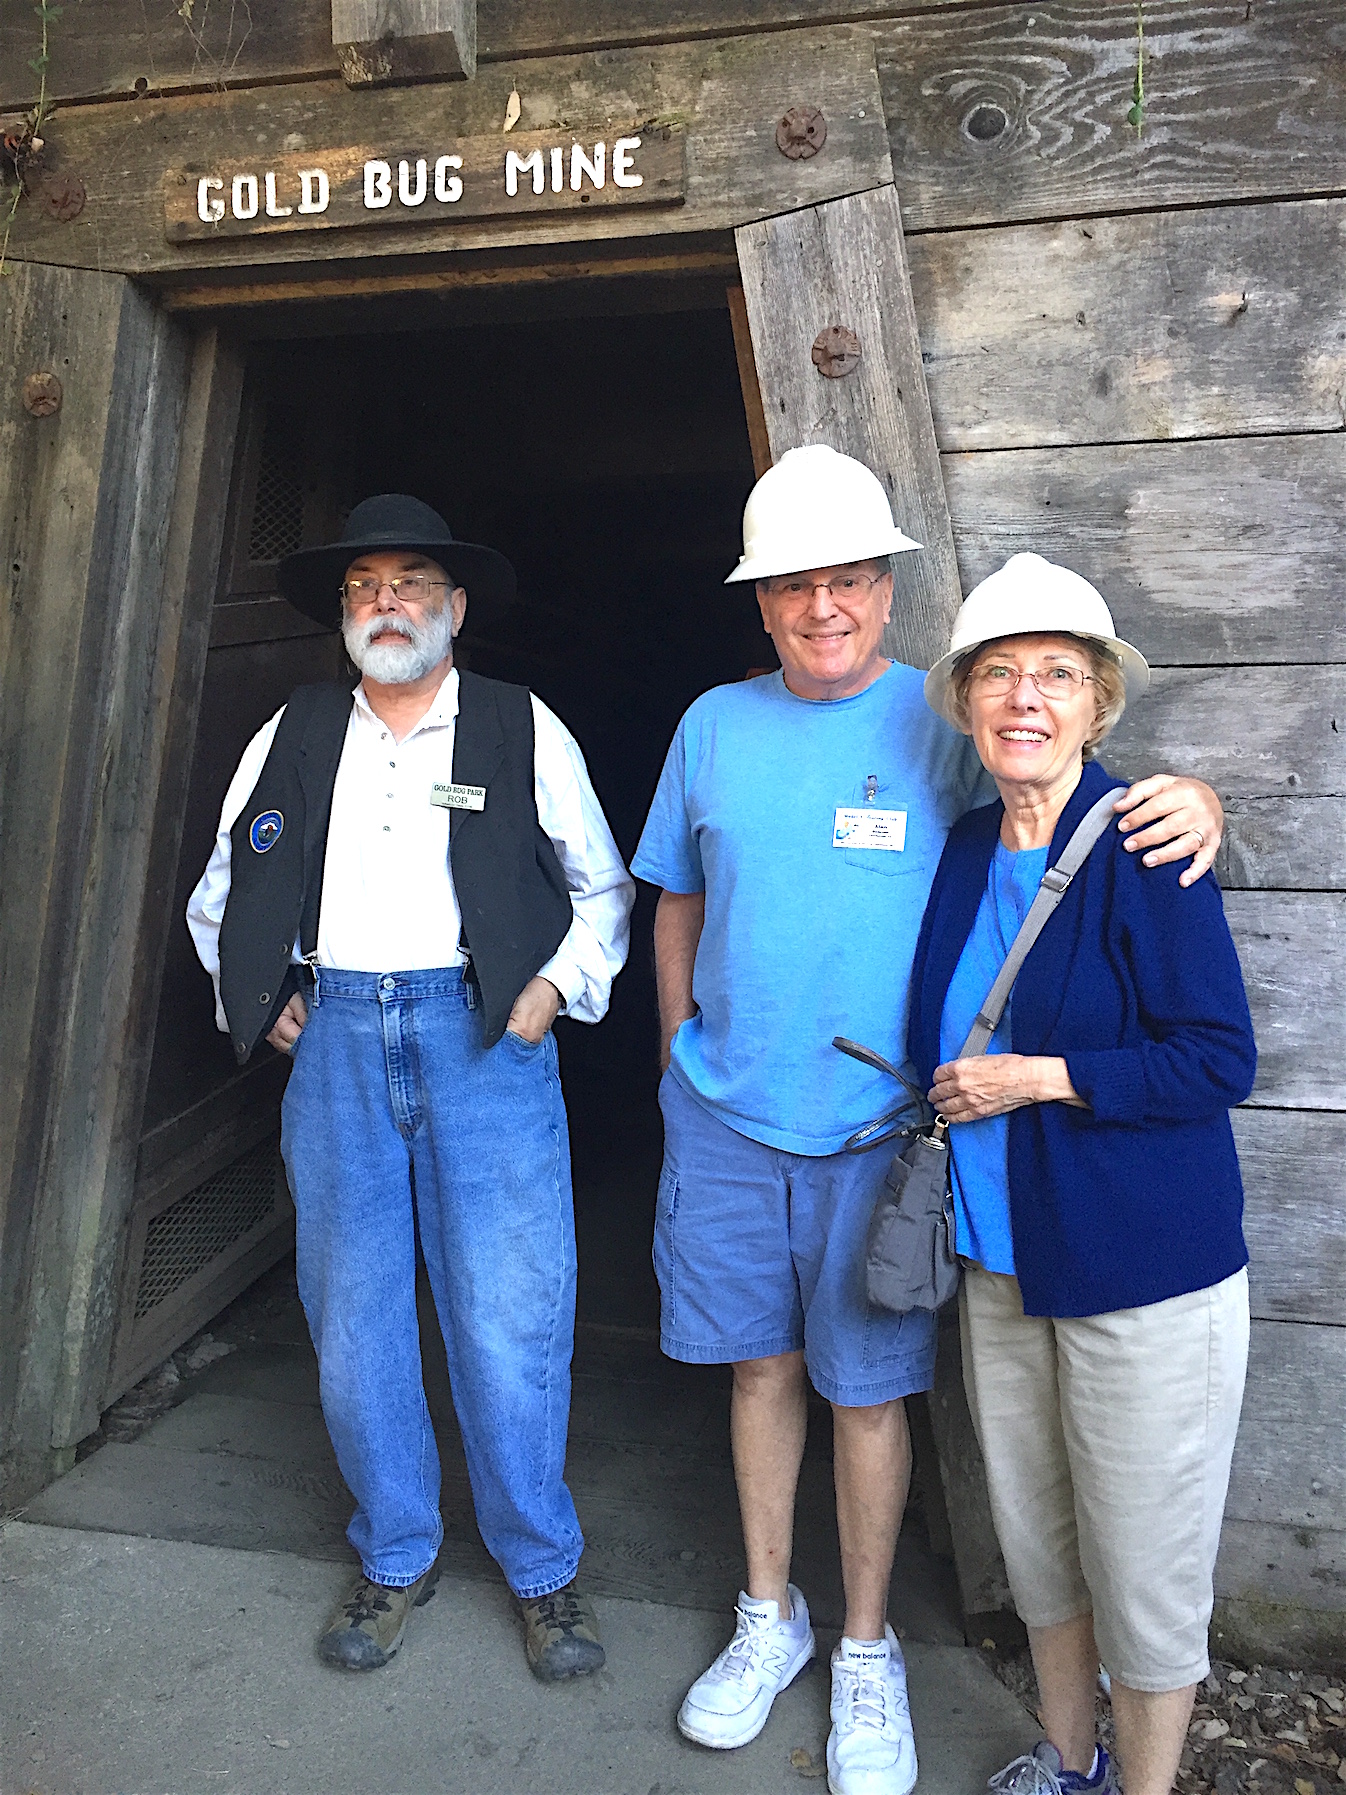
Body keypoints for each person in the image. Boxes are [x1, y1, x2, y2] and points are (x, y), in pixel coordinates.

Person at [630, 446, 1227, 1795]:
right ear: (760, 599)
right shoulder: (710, 725)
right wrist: (673, 1048)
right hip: (726, 1117)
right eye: (794, 584)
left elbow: (1061, 786)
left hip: (879, 1132)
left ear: (886, 589)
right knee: (757, 1371)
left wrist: (1194, 796)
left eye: (847, 578)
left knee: (867, 1393)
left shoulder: (939, 715)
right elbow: (673, 892)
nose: (822, 606)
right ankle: (768, 1613)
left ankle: (863, 1646)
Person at [186, 494, 634, 1682]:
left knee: (509, 1309)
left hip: (481, 1033)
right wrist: (259, 997)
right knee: (355, 1315)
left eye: (410, 583)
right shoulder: (291, 732)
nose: (385, 604)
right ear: (345, 613)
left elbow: (600, 888)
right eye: (364, 587)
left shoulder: (517, 723)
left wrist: (549, 992)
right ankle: (394, 1552)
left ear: (455, 607)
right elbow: (222, 889)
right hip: (336, 1033)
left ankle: (540, 1569)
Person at [906, 553, 1256, 1795]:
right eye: (997, 672)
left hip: (1137, 1272)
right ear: (963, 700)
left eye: (1056, 674)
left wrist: (1038, 1077)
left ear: (1097, 705)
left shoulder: (1147, 840)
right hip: (1001, 1264)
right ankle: (1067, 1763)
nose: (1023, 697)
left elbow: (1216, 1058)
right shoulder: (962, 846)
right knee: (1040, 1551)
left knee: (1144, 1572)